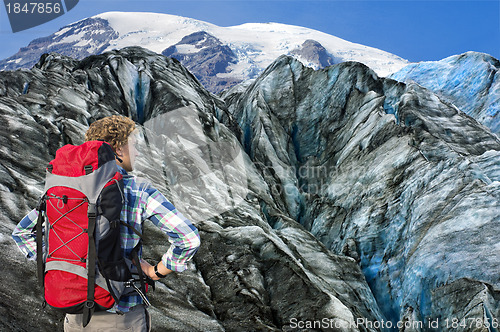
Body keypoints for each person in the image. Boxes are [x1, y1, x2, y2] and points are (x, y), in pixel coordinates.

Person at [12, 115, 201, 331]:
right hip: (123, 318)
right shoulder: (138, 190)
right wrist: (156, 271)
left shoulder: (66, 191)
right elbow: (188, 238)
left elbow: (22, 233)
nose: (137, 152)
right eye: (134, 145)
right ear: (119, 149)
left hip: (74, 317)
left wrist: (60, 263)